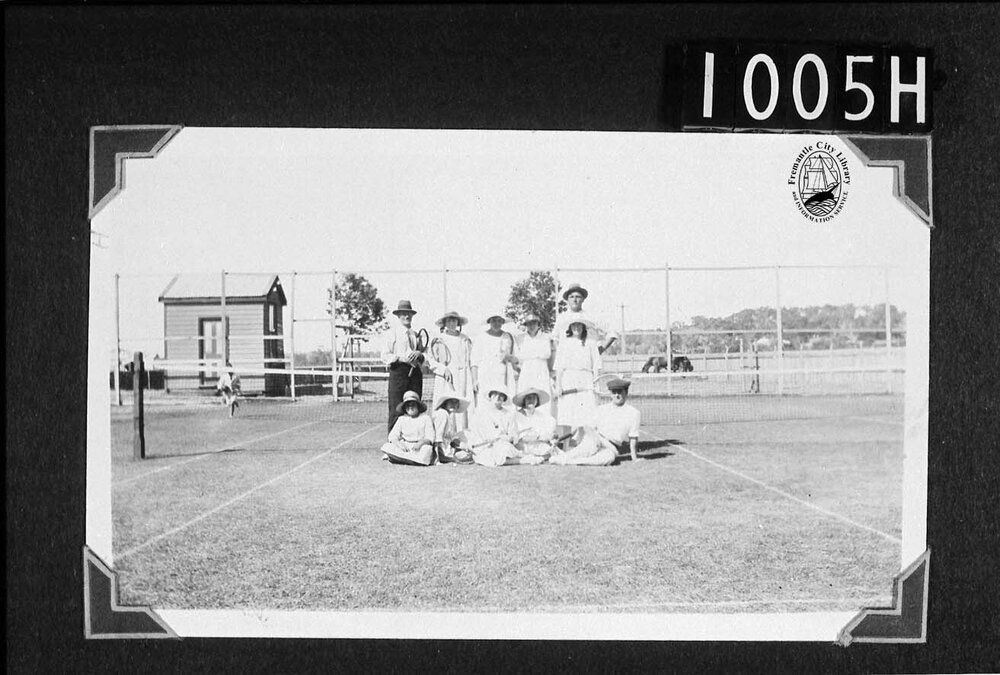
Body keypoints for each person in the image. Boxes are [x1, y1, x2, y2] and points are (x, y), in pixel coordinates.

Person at [465, 386, 543, 467]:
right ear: (490, 396)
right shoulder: (481, 412)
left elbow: (514, 433)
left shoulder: (508, 414)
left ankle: (522, 459)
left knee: (503, 449)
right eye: (495, 394)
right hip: (484, 445)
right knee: (487, 457)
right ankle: (523, 460)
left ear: (504, 399)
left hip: (502, 445)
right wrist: (492, 438)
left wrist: (510, 438)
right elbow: (478, 431)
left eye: (501, 395)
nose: (498, 397)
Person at [380, 300, 425, 432]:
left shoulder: (415, 334)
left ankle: (413, 441)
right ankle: (393, 446)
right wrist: (401, 358)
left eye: (409, 314)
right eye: (403, 314)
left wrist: (419, 354)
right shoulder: (391, 333)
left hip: (415, 374)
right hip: (398, 373)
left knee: (415, 408)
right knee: (396, 409)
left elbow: (423, 356)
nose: (406, 316)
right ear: (398, 316)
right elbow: (384, 355)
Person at [426, 310, 474, 430]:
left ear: (458, 322)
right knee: (444, 405)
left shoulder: (465, 339)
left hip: (463, 378)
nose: (452, 323)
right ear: (444, 323)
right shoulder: (438, 339)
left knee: (461, 406)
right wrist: (443, 370)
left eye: (454, 320)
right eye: (449, 320)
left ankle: (461, 437)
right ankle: (441, 438)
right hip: (445, 378)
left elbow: (471, 359)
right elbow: (431, 360)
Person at [552, 318, 602, 428]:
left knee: (586, 414)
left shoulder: (591, 343)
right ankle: (566, 444)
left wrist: (596, 383)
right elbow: (559, 367)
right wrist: (558, 386)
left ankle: (585, 443)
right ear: (570, 327)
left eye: (579, 325)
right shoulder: (564, 344)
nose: (576, 327)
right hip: (568, 379)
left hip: (586, 379)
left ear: (584, 327)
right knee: (567, 414)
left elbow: (596, 366)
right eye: (574, 325)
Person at [553, 283, 619, 354]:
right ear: (567, 300)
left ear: (583, 299)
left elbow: (612, 332)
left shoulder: (591, 317)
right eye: (571, 297)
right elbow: (555, 338)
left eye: (578, 297)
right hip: (569, 359)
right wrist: (561, 354)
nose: (575, 300)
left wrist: (602, 349)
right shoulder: (562, 318)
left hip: (588, 358)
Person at [514, 314, 555, 415]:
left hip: (541, 369)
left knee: (542, 395)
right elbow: (517, 357)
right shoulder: (520, 338)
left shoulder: (546, 337)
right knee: (525, 394)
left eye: (534, 323)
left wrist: (551, 370)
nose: (532, 326)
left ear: (538, 324)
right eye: (529, 324)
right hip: (526, 370)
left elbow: (549, 355)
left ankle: (543, 426)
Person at [470, 314, 516, 405]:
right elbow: (474, 360)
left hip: (502, 375)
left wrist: (508, 357)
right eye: (494, 321)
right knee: (485, 402)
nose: (496, 323)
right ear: (489, 322)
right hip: (485, 375)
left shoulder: (507, 337)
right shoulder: (481, 337)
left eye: (499, 321)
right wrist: (475, 380)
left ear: (502, 322)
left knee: (501, 402)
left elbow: (513, 357)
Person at [380, 390, 436, 466]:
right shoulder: (401, 419)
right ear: (405, 408)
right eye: (407, 405)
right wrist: (400, 445)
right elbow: (393, 436)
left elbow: (430, 437)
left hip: (419, 447)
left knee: (427, 450)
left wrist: (420, 443)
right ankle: (410, 459)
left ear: (418, 406)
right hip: (405, 447)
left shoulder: (426, 418)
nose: (410, 407)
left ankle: (399, 458)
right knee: (387, 446)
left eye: (413, 404)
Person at [593, 377, 642, 462]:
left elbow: (633, 437)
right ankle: (566, 460)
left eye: (619, 392)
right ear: (610, 394)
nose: (616, 395)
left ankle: (569, 461)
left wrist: (634, 458)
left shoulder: (634, 413)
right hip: (596, 441)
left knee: (606, 460)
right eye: (614, 392)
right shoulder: (601, 409)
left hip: (611, 447)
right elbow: (590, 427)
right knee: (576, 454)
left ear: (626, 393)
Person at [512, 387, 557, 460]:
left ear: (537, 401)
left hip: (538, 444)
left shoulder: (540, 415)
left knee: (553, 450)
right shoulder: (517, 415)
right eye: (528, 398)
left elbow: (548, 430)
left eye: (534, 398)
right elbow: (520, 438)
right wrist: (540, 438)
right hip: (524, 445)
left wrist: (551, 437)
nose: (531, 400)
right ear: (524, 401)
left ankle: (541, 457)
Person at [431, 392, 473, 464]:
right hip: (441, 450)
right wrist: (440, 457)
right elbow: (438, 437)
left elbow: (449, 438)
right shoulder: (442, 414)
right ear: (445, 403)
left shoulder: (447, 415)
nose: (453, 405)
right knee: (466, 455)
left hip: (447, 447)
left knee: (465, 434)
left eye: (456, 402)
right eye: (451, 402)